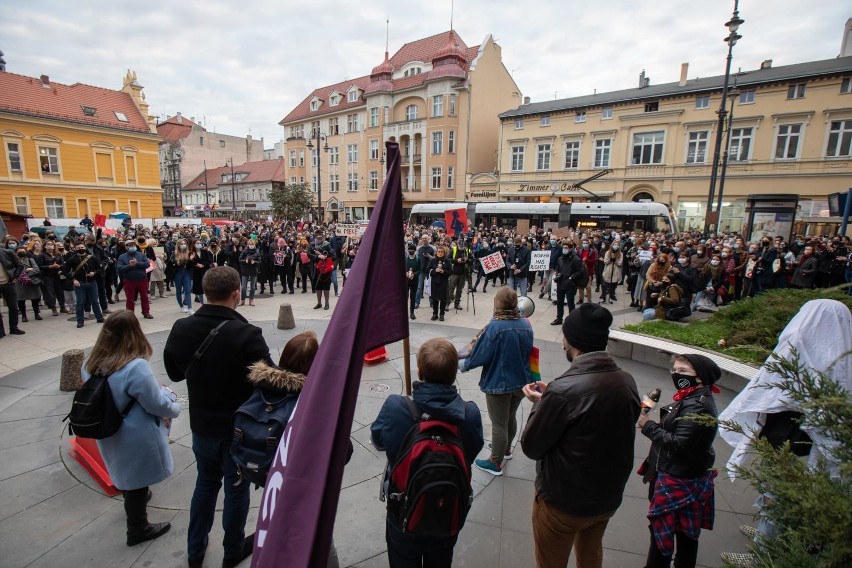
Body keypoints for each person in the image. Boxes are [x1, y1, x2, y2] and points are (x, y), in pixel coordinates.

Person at [718, 299, 852, 567]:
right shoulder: (841, 357)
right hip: (802, 436)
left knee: (778, 487)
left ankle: (763, 553)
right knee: (780, 486)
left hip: (793, 435)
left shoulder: (800, 345)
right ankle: (772, 530)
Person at [163, 266, 274, 568]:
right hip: (236, 431)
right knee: (236, 489)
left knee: (206, 484)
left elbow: (174, 372)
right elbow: (269, 381)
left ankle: (195, 551)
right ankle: (232, 551)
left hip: (201, 426)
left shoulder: (181, 328)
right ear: (236, 293)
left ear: (205, 292)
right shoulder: (246, 334)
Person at [521, 303, 640, 568]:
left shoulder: (564, 390)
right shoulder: (626, 380)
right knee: (590, 556)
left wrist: (541, 403)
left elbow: (531, 446)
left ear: (571, 341)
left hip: (563, 503)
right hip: (606, 498)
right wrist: (553, 395)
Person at [371, 338, 484, 567]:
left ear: (420, 371)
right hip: (448, 509)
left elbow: (378, 440)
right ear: (454, 373)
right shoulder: (469, 414)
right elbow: (471, 452)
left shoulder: (397, 407)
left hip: (403, 509)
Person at [83, 311, 181, 546]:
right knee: (137, 476)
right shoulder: (135, 367)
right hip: (135, 432)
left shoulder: (91, 363)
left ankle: (135, 497)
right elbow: (155, 403)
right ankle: (137, 527)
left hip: (108, 427)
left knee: (126, 471)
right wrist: (174, 406)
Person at [637, 353, 720, 568]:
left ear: (700, 377)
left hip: (677, 478)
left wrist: (648, 426)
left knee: (663, 534)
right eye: (674, 370)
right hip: (682, 473)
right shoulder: (692, 397)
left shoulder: (698, 405)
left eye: (683, 371)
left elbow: (679, 444)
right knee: (685, 532)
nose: (676, 374)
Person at [459, 287, 534, 476]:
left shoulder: (495, 327)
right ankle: (506, 449)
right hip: (521, 381)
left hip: (499, 383)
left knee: (499, 423)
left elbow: (481, 354)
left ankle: (495, 462)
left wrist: (463, 365)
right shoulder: (525, 324)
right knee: (510, 417)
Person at [64, 241, 104, 328]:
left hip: (92, 282)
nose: (81, 249)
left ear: (85, 248)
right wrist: (73, 280)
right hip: (79, 283)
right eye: (78, 248)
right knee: (80, 303)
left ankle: (99, 317)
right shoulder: (71, 259)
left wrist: (94, 273)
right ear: (75, 249)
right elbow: (65, 271)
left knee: (95, 301)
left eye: (82, 248)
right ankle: (80, 320)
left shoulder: (92, 258)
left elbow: (99, 268)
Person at [116, 240, 153, 319]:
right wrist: (130, 265)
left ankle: (146, 312)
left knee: (145, 297)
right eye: (129, 245)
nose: (132, 247)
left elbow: (147, 264)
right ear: (126, 247)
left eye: (133, 245)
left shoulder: (141, 255)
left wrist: (137, 264)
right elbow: (120, 268)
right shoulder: (122, 257)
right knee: (130, 299)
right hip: (129, 281)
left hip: (142, 279)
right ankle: (130, 315)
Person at [551, 240, 585, 325]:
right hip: (561, 283)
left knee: (570, 303)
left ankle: (572, 320)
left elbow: (581, 271)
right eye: (563, 248)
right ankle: (559, 319)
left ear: (570, 249)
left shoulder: (576, 259)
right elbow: (558, 268)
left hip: (570, 284)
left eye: (566, 248)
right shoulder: (560, 258)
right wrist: (557, 273)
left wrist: (572, 277)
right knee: (559, 302)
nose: (564, 249)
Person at [15, 245, 42, 321]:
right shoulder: (14, 261)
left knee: (35, 299)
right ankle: (24, 316)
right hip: (20, 283)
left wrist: (27, 274)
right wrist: (25, 272)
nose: (21, 253)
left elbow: (36, 269)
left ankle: (36, 314)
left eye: (23, 251)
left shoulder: (30, 260)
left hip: (31, 281)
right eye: (19, 252)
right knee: (21, 300)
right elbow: (14, 271)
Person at [428, 245, 452, 321]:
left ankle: (442, 314)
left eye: (442, 252)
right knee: (434, 298)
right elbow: (428, 270)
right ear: (436, 252)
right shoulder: (433, 260)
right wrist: (435, 271)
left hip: (443, 282)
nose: (440, 253)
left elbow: (450, 272)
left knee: (443, 299)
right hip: (434, 282)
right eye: (439, 252)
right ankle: (435, 313)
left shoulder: (447, 260)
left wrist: (443, 271)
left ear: (444, 253)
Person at [447, 238, 467, 310]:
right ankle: (447, 303)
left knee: (459, 290)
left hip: (462, 273)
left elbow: (472, 260)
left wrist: (467, 260)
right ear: (457, 245)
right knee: (450, 289)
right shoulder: (453, 250)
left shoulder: (466, 251)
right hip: (454, 272)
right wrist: (456, 260)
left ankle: (457, 304)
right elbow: (448, 259)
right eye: (460, 245)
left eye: (463, 246)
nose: (462, 247)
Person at [239, 239, 261, 306]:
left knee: (252, 287)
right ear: (248, 245)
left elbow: (259, 261)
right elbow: (239, 259)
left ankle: (251, 300)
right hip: (245, 270)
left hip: (253, 270)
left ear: (254, 244)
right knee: (243, 287)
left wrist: (255, 262)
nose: (251, 245)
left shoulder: (257, 252)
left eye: (252, 244)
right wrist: (244, 261)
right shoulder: (245, 251)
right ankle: (242, 300)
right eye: (250, 244)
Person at [405, 243, 421, 320]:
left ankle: (412, 312)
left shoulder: (418, 259)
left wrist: (414, 274)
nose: (410, 251)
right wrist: (406, 273)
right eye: (409, 250)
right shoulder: (405, 258)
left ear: (414, 251)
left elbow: (420, 269)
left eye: (412, 250)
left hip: (414, 280)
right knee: (405, 297)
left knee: (413, 297)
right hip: (406, 280)